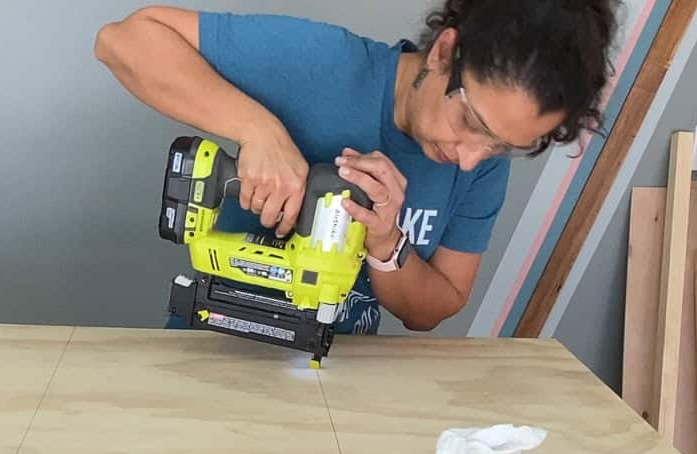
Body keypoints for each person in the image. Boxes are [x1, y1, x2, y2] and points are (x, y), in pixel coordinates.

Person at [95, 1, 618, 333]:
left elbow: (433, 309)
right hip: (210, 358)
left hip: (333, 393)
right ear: (445, 51)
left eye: (504, 145)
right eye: (471, 122)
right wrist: (258, 129)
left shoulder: (481, 165)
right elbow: (124, 40)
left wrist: (386, 242)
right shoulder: (326, 64)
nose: (469, 156)